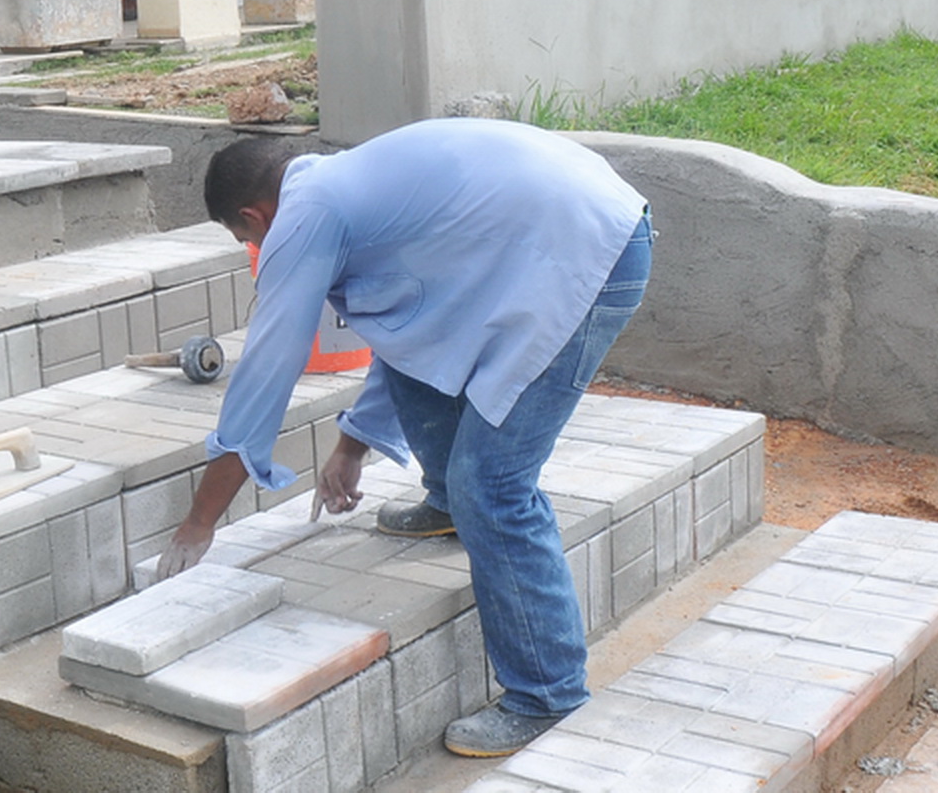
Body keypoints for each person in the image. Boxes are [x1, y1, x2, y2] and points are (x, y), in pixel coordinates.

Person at [158, 120, 652, 758]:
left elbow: (264, 374)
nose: (255, 249)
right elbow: (407, 329)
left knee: (493, 487)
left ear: (255, 215)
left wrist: (199, 522)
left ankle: (547, 693)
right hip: (566, 231)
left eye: (246, 237)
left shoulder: (305, 217)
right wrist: (351, 444)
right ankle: (449, 506)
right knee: (455, 445)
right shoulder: (343, 188)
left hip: (589, 255)